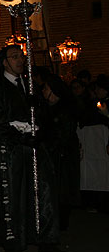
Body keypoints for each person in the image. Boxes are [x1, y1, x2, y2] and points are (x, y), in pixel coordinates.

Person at [0, 45, 67, 252]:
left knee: (44, 192)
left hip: (34, 147)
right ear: (4, 61)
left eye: (22, 56)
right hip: (13, 149)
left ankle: (46, 241)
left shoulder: (29, 84)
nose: (20, 60)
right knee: (15, 196)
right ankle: (15, 245)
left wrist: (39, 108)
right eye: (15, 57)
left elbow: (42, 117)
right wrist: (21, 137)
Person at [41, 74, 80, 231]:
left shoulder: (64, 109)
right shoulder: (47, 109)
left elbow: (63, 135)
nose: (43, 91)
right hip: (53, 153)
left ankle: (61, 221)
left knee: (62, 188)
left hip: (62, 155)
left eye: (46, 88)